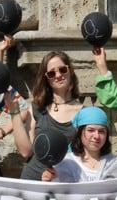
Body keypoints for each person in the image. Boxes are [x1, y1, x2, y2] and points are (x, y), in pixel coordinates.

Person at [8, 50, 84, 180]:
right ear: (46, 79)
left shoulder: (84, 113)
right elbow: (26, 151)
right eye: (51, 73)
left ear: (70, 70)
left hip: (65, 183)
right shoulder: (37, 108)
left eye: (62, 69)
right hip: (33, 180)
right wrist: (14, 112)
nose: (58, 75)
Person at [41, 106, 117, 182]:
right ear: (79, 132)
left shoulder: (116, 164)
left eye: (101, 131)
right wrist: (48, 181)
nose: (96, 136)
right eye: (90, 130)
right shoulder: (65, 165)